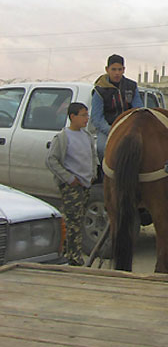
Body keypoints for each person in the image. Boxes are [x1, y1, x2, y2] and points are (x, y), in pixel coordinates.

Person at [46, 103, 98, 265]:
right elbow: (51, 160)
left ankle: (69, 253)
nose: (86, 118)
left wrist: (93, 174)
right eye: (83, 115)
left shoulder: (87, 136)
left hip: (85, 185)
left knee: (78, 220)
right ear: (72, 116)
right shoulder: (63, 137)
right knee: (72, 221)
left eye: (87, 115)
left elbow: (92, 156)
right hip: (71, 187)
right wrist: (68, 178)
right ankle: (74, 257)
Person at [91, 54, 142, 162]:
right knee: (102, 149)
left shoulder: (131, 86)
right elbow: (97, 118)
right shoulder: (100, 90)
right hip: (108, 128)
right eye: (113, 69)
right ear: (107, 69)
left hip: (129, 127)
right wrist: (112, 130)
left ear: (124, 70)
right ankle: (104, 175)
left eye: (119, 69)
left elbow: (138, 109)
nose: (117, 73)